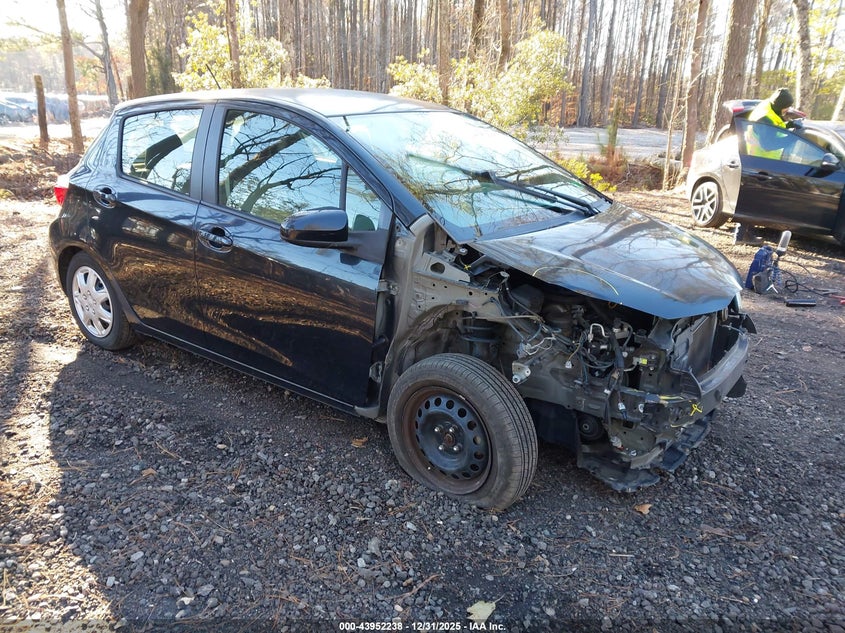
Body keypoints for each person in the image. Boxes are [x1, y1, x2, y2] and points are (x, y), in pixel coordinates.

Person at [744, 88, 798, 159]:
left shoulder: (769, 105)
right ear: (780, 106)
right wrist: (792, 139)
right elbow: (768, 145)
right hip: (761, 159)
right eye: (786, 107)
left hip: (765, 158)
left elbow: (773, 127)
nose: (788, 109)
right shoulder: (765, 119)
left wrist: (789, 125)